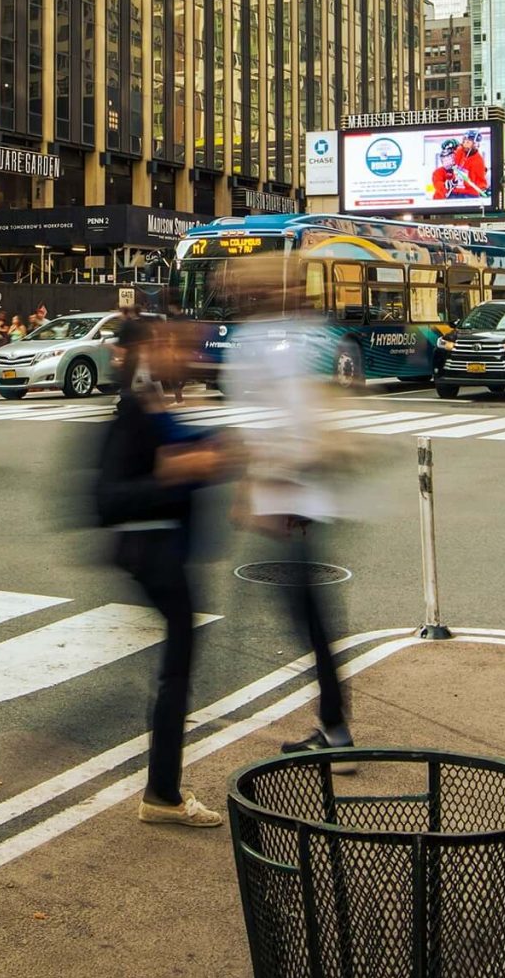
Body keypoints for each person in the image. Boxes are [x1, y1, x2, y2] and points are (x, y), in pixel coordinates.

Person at [95, 316, 232, 827]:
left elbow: (180, 447)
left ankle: (163, 790)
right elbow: (106, 498)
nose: (188, 353)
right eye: (176, 344)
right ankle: (162, 793)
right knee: (175, 669)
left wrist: (206, 452)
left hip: (161, 550)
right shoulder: (134, 403)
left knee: (177, 664)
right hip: (150, 551)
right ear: (152, 349)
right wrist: (180, 470)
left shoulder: (149, 396)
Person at [220, 256, 358, 758]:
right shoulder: (288, 336)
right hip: (290, 496)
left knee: (309, 618)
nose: (235, 291)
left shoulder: (287, 341)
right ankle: (334, 722)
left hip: (294, 500)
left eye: (244, 284)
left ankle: (335, 727)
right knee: (307, 617)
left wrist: (267, 483)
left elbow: (304, 419)